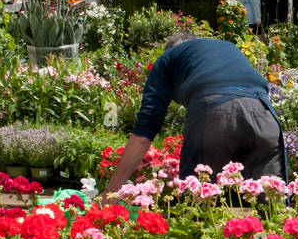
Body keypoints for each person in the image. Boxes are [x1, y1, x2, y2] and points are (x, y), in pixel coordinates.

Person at [102, 32, 286, 196]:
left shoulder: (167, 59)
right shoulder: (225, 48)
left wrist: (111, 191)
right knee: (271, 202)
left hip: (215, 112)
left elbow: (145, 130)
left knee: (198, 202)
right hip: (265, 115)